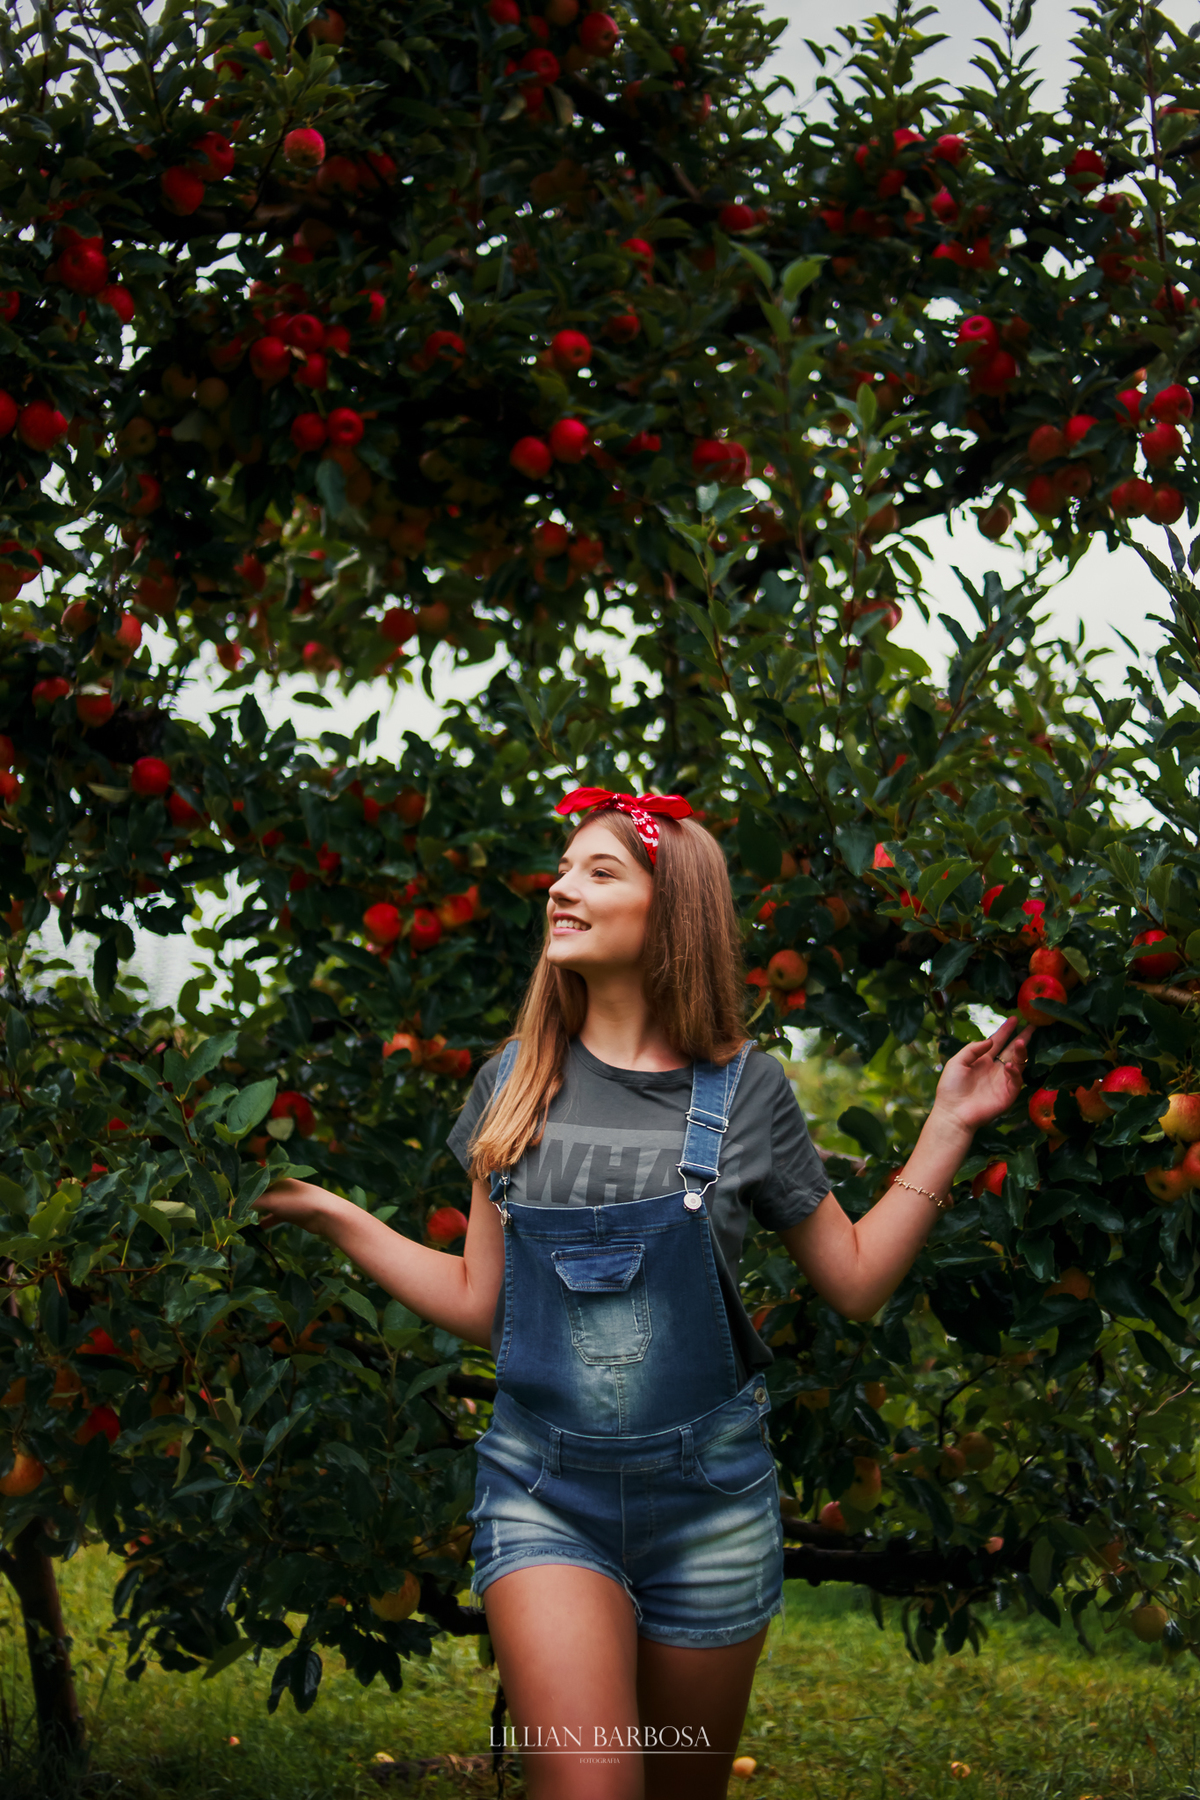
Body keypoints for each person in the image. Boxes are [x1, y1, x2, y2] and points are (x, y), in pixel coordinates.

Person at [254, 788, 1032, 1800]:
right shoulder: (510, 1085)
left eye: (598, 871)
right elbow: (482, 1298)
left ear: (672, 914)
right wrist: (328, 1212)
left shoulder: (747, 1092)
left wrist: (950, 1125)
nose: (560, 889)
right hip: (544, 1490)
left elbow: (852, 1281)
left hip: (709, 1499)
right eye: (562, 870)